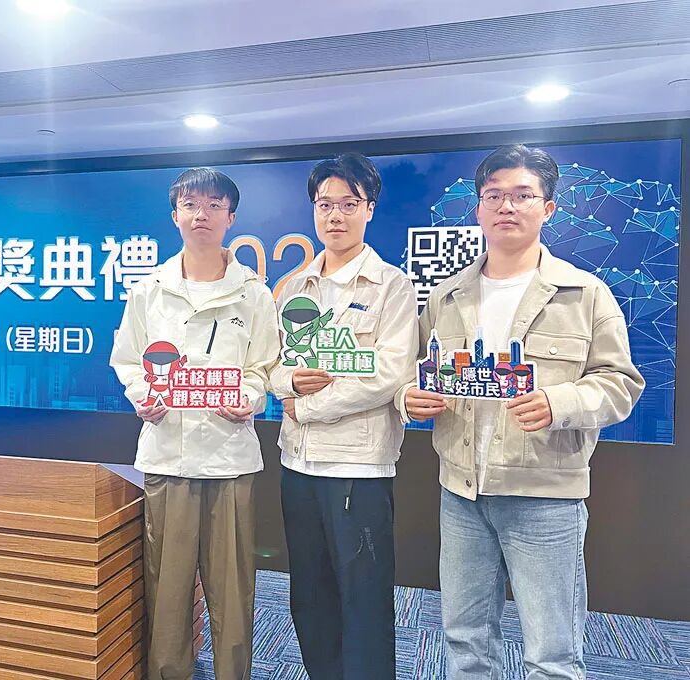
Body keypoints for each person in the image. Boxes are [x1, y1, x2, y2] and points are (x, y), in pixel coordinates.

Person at [398, 144, 645, 680]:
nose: (506, 206)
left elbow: (621, 384)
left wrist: (560, 402)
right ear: (478, 208)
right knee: (464, 638)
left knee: (552, 654)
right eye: (494, 196)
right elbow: (415, 373)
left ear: (547, 207)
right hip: (460, 494)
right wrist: (408, 399)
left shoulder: (585, 294)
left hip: (545, 498)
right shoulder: (446, 296)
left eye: (522, 195)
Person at [110, 167, 280, 680]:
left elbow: (263, 366)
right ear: (175, 216)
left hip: (231, 458)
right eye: (190, 205)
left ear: (230, 217)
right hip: (169, 454)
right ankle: (169, 672)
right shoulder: (149, 290)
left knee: (232, 584)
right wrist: (142, 396)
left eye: (213, 205)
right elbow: (128, 359)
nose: (200, 214)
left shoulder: (254, 293)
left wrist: (248, 397)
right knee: (168, 583)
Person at [268, 152, 419, 679]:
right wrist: (287, 385)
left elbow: (388, 375)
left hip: (358, 467)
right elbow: (271, 363)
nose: (335, 216)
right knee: (309, 595)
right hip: (296, 463)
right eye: (324, 204)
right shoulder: (293, 287)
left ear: (369, 209)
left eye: (348, 204)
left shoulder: (392, 286)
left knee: (364, 600)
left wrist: (307, 406)